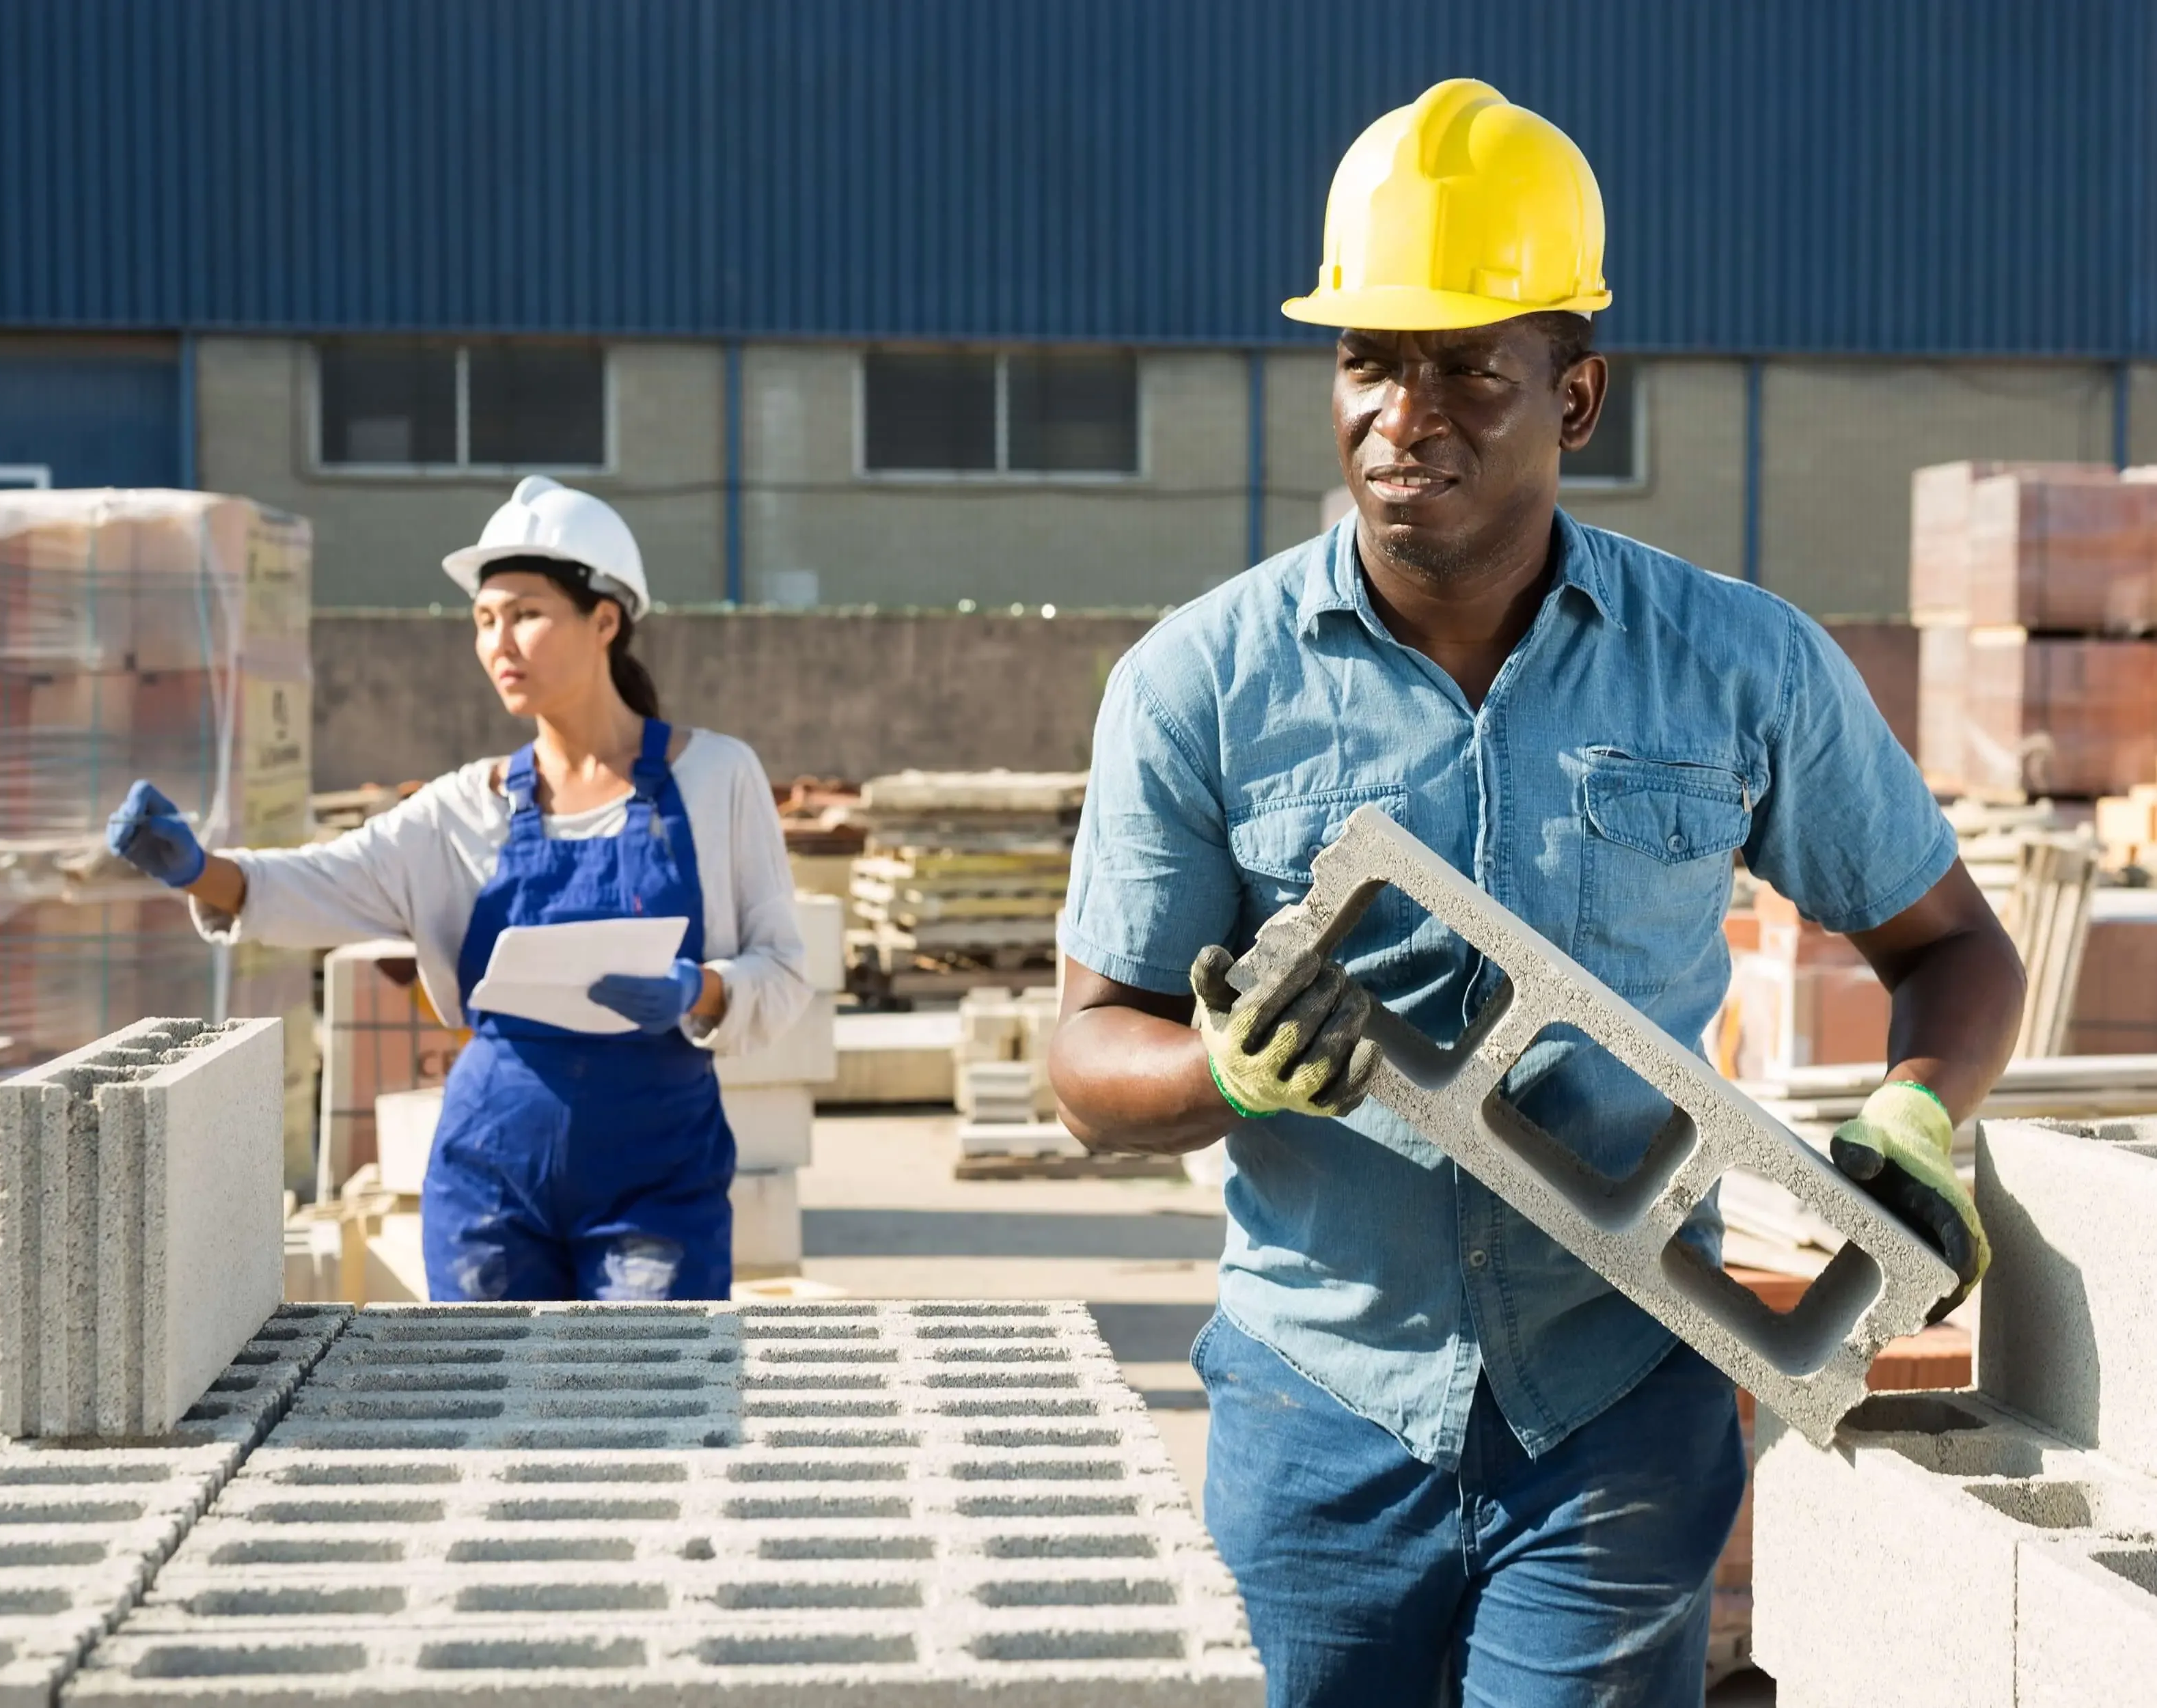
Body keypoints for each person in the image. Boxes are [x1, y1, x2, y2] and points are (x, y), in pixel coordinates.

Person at [1048, 79, 2024, 1706]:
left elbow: (1951, 950)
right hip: (1317, 1409)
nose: (1402, 418)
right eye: (1365, 363)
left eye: (1463, 374)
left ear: (1573, 397)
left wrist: (1917, 1119)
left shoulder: (1733, 666)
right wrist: (1218, 1071)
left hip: (1612, 1413)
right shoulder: (1196, 685)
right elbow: (1085, 1059)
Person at [107, 476, 810, 1304]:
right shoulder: (461, 810)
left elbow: (784, 969)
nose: (499, 642)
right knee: (489, 1420)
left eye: (525, 613)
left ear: (606, 621)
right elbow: (322, 882)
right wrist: (199, 869)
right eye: (484, 620)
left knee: (648, 1413)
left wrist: (704, 988)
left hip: (656, 1178)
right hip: (490, 1177)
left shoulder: (716, 777)